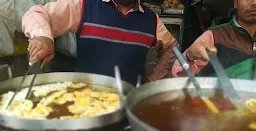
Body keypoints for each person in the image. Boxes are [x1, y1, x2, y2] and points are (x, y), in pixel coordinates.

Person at [22, 0, 177, 85]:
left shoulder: (151, 20)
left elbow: (171, 49)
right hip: (85, 99)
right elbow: (38, 13)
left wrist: (152, 81)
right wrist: (42, 37)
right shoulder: (85, 6)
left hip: (128, 105)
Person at [172, 0, 256, 79]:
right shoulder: (214, 36)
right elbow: (178, 77)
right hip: (221, 94)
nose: (254, 2)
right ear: (235, 3)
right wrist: (189, 57)